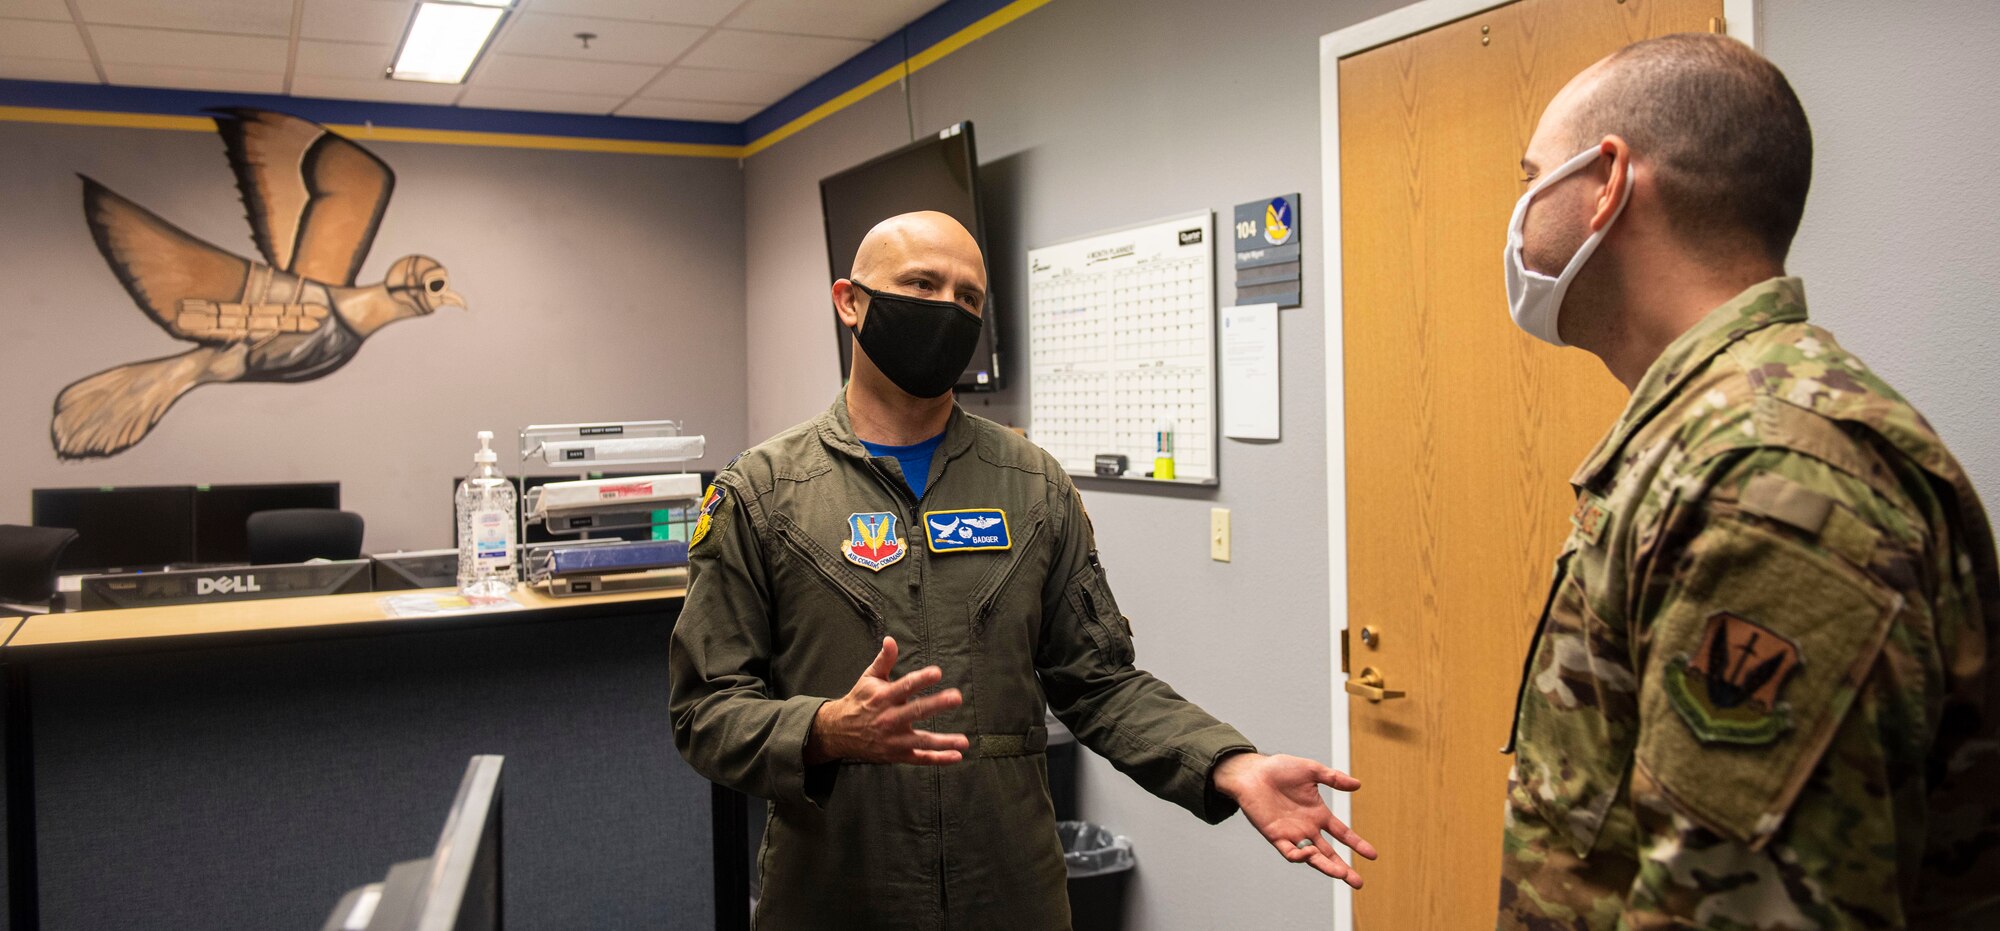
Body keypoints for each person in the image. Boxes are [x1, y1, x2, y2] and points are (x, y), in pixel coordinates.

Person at [670, 210, 1376, 929]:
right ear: (850, 301)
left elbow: (1098, 682)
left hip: (1008, 894)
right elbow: (704, 710)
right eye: (922, 283)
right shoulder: (761, 492)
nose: (948, 308)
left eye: (969, 297)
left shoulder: (1032, 483)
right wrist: (823, 728)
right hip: (836, 894)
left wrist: (1227, 763)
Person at [1496, 33, 1999, 929]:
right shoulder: (1706, 428)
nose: (1519, 212)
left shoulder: (1767, 475)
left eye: (1532, 177)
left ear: (1606, 182)